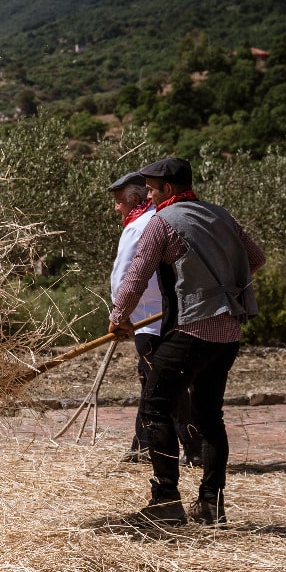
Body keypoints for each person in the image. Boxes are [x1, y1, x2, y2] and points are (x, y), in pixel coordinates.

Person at [109, 157, 265, 527]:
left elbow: (135, 277)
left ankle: (165, 501)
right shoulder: (220, 215)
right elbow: (256, 258)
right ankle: (211, 504)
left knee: (155, 407)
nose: (148, 193)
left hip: (192, 330)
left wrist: (119, 318)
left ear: (166, 189)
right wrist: (222, 286)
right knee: (210, 417)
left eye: (150, 188)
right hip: (228, 334)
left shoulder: (161, 224)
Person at [107, 171, 202, 466]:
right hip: (152, 316)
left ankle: (192, 446)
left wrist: (119, 314)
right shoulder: (153, 220)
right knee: (151, 381)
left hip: (150, 318)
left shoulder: (141, 227)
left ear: (133, 199)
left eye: (119, 202)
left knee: (161, 385)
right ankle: (143, 445)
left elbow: (127, 275)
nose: (116, 208)